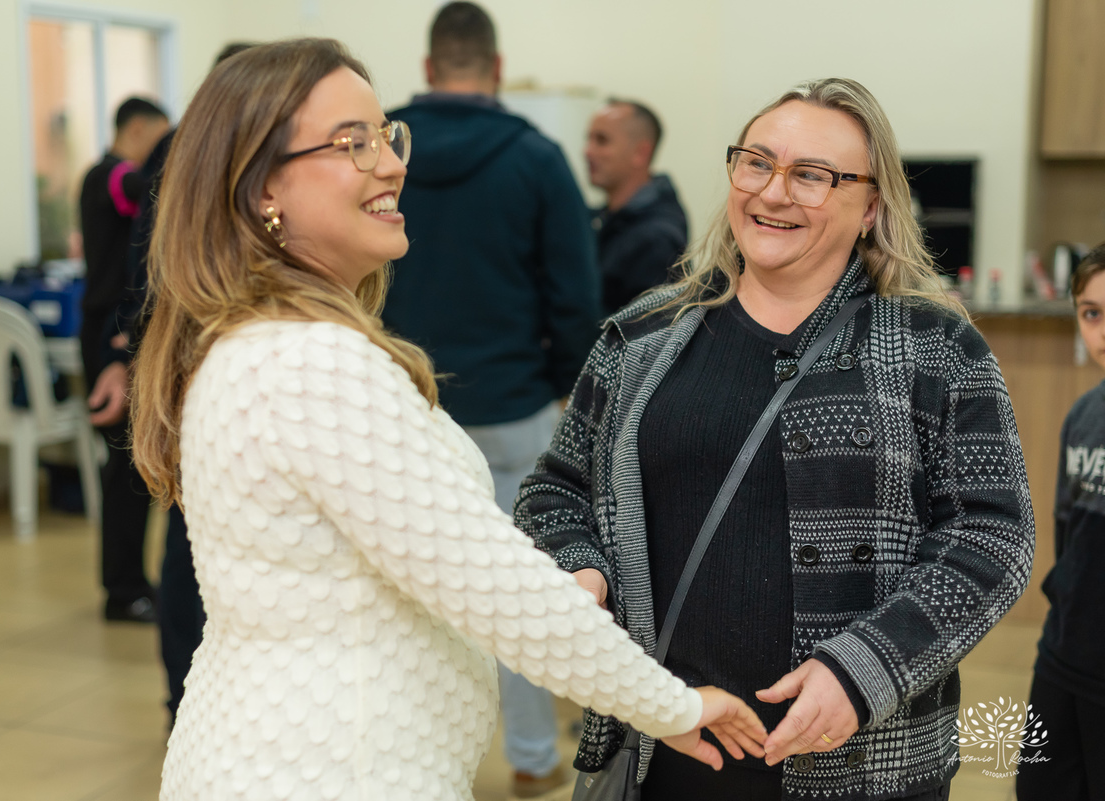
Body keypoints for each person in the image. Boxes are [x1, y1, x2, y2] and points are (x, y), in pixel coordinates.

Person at [128, 38, 767, 801]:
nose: (392, 163)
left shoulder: (261, 344)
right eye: (350, 143)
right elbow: (492, 589)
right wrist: (674, 705)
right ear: (263, 186)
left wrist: (556, 585)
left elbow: (443, 566)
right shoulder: (311, 366)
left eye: (386, 136)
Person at [515, 77, 1036, 800]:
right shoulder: (640, 337)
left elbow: (993, 536)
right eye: (756, 162)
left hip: (861, 757)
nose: (775, 192)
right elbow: (554, 488)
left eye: (814, 176)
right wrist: (580, 565)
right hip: (665, 747)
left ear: (871, 207)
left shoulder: (938, 347)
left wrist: (866, 668)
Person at [380, 3, 601, 795]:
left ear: (431, 67)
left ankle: (414, 763)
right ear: (497, 69)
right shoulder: (538, 159)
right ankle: (534, 758)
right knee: (518, 598)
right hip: (512, 409)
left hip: (398, 406)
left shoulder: (377, 151)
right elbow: (576, 296)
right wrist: (566, 394)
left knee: (402, 599)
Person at [87, 42, 256, 724]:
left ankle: (189, 698)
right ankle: (189, 697)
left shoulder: (176, 152)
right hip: (193, 374)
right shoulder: (202, 158)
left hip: (182, 370)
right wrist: (128, 360)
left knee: (195, 541)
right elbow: (144, 271)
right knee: (195, 543)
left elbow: (139, 274)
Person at [1016, 244, 1105, 801]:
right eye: (1092, 312)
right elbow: (1068, 535)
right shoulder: (1083, 417)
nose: (1103, 330)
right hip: (1065, 658)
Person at [78, 96, 169, 623]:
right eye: (156, 140)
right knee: (125, 466)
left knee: (131, 465)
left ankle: (131, 582)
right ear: (135, 130)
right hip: (109, 334)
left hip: (116, 325)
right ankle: (123, 589)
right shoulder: (107, 176)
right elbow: (141, 186)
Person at [585, 99, 689, 315]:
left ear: (640, 153)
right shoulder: (603, 218)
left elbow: (649, 335)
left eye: (601, 141)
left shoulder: (656, 240)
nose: (587, 151)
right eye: (588, 139)